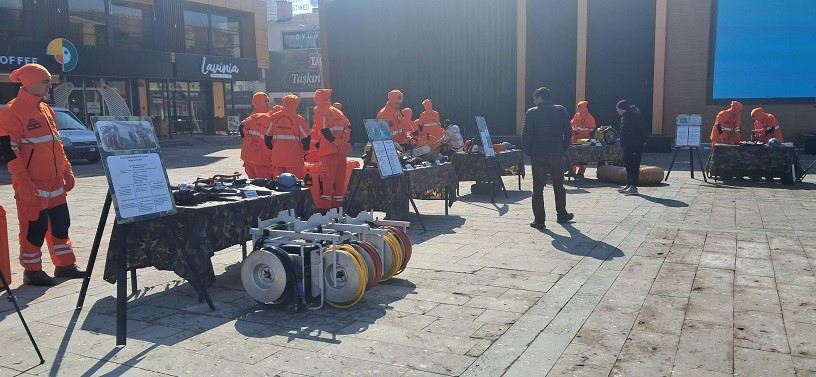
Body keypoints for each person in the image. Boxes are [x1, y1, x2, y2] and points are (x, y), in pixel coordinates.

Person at [0, 63, 86, 286]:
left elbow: (56, 144)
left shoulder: (45, 108)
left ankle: (65, 264)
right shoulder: (11, 112)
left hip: (55, 180)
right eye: (45, 81)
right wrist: (23, 180)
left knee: (60, 223)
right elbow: (10, 152)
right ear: (30, 83)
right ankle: (32, 271)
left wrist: (67, 170)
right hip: (32, 182)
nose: (50, 85)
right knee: (34, 226)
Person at [520, 87, 574, 229]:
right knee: (558, 185)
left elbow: (525, 136)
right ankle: (562, 214)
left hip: (538, 154)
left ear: (540, 98)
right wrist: (563, 148)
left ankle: (539, 220)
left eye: (535, 98)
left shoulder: (532, 113)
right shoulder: (561, 110)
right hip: (556, 154)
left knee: (538, 188)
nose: (534, 101)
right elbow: (569, 132)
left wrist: (529, 151)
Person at [311, 88, 352, 206]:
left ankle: (326, 210)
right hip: (341, 153)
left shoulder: (321, 111)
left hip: (328, 152)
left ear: (318, 99)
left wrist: (337, 142)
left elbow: (324, 131)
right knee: (340, 181)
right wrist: (343, 143)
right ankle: (339, 208)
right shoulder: (338, 112)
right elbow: (348, 128)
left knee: (327, 182)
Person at [266, 94, 310, 179]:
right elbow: (306, 140)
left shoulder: (274, 117)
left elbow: (267, 138)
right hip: (294, 159)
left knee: (279, 185)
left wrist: (275, 149)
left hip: (277, 158)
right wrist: (303, 151)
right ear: (296, 105)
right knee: (295, 184)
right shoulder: (299, 119)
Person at [616, 100, 651, 196]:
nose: (617, 110)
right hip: (627, 145)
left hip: (635, 145)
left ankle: (634, 187)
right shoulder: (624, 116)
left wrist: (643, 141)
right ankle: (629, 184)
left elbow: (643, 129)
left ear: (623, 108)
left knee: (634, 166)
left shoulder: (635, 115)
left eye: (618, 108)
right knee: (628, 165)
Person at [238, 92, 274, 179]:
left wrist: (251, 143)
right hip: (261, 160)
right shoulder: (269, 117)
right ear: (257, 102)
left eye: (268, 101)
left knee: (253, 186)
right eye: (265, 101)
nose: (267, 103)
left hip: (249, 158)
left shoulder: (251, 118)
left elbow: (241, 128)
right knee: (265, 187)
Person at [569, 100, 597, 178]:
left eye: (580, 109)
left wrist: (583, 131)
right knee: (572, 154)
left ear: (585, 109)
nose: (579, 110)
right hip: (575, 137)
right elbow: (572, 123)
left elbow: (592, 128)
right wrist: (574, 129)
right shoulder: (576, 115)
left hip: (584, 139)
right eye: (578, 109)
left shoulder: (590, 118)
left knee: (584, 156)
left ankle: (581, 173)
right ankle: (572, 171)